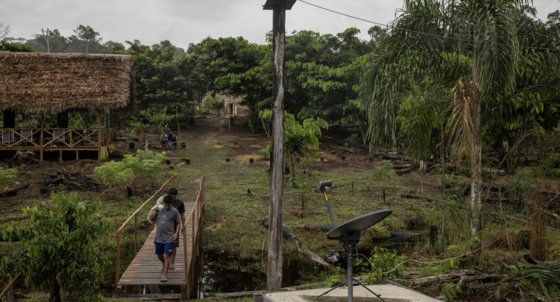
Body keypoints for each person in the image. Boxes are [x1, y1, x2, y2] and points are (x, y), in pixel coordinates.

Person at [148, 195, 181, 282]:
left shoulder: (175, 211)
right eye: (165, 205)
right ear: (163, 203)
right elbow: (150, 218)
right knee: (159, 255)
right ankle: (164, 264)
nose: (166, 207)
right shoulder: (158, 209)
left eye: (168, 205)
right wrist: (156, 209)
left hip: (169, 237)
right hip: (159, 237)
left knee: (167, 255)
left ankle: (164, 275)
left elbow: (178, 223)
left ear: (171, 204)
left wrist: (176, 233)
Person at [154, 187, 185, 269]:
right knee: (163, 247)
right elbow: (156, 209)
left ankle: (171, 262)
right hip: (164, 226)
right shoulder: (164, 201)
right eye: (171, 196)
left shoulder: (179, 203)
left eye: (173, 196)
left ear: (176, 195)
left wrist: (183, 226)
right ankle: (166, 262)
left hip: (174, 226)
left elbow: (182, 215)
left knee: (174, 244)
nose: (172, 198)